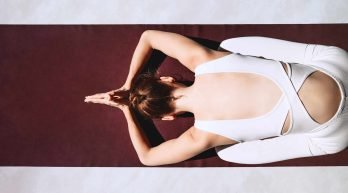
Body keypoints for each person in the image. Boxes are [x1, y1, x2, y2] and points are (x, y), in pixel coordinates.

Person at [84, 30, 348, 166]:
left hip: (336, 132)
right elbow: (148, 37)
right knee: (230, 46)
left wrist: (127, 110)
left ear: (168, 116)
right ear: (167, 80)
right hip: (338, 67)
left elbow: (148, 157)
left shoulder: (202, 136)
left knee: (227, 153)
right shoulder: (203, 60)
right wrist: (128, 85)